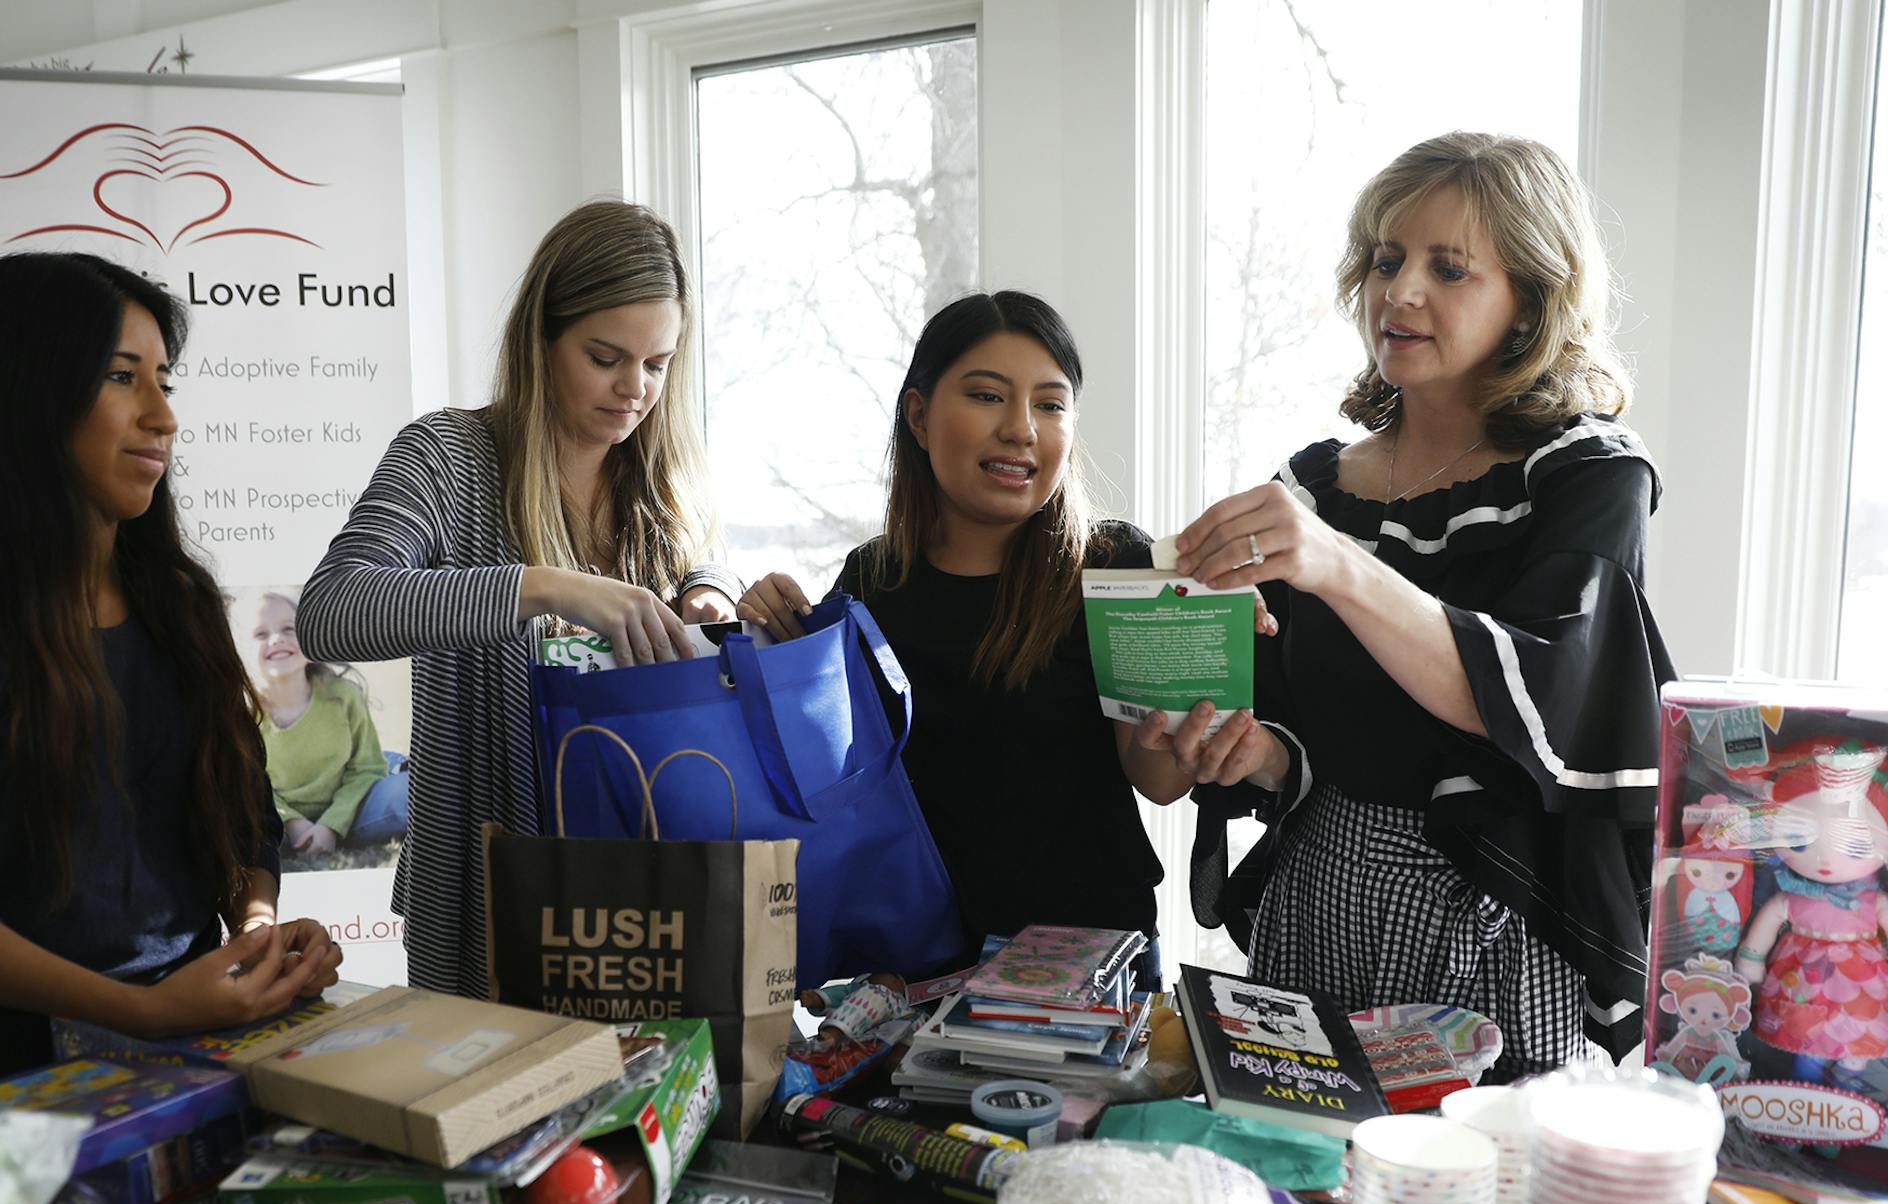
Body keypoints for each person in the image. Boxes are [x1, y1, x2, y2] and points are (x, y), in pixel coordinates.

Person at [1169, 131, 1675, 1077]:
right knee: (1307, 1195)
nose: (1400, 292)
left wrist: (1336, 566)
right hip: (1318, 901)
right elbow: (1313, 721)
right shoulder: (1317, 485)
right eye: (1386, 260)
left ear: (1530, 298)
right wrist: (1261, 751)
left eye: (1450, 269)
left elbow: (1534, 698)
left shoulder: (1588, 475)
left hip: (1494, 923)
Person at [0, 252, 338, 1099]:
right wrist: (142, 1009)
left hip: (202, 1053)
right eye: (123, 378)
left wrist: (257, 936)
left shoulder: (177, 600)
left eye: (165, 380)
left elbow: (244, 819)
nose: (163, 416)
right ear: (23, 394)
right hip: (9, 1081)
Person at [739, 291, 1247, 988]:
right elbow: (828, 781)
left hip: (1085, 966)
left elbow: (1159, 781)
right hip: (913, 968)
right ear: (918, 415)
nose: (1021, 429)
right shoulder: (872, 579)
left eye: (1050, 404)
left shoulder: (1113, 567)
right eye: (986, 396)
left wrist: (1200, 683)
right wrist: (770, 632)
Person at [297, 201, 739, 997]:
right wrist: (541, 587)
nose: (634, 389)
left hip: (652, 901)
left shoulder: (660, 479)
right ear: (541, 337)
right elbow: (333, 609)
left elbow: (704, 562)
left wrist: (711, 591)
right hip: (485, 905)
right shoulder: (447, 456)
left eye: (658, 363)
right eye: (605, 356)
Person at [240, 589, 408, 862]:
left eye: (288, 629)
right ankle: (395, 763)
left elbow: (366, 769)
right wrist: (294, 824)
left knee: (410, 791)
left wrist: (331, 826)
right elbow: (246, 784)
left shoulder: (342, 696)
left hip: (353, 809)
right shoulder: (241, 714)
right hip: (275, 821)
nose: (277, 639)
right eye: (261, 634)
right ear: (240, 652)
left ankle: (397, 765)